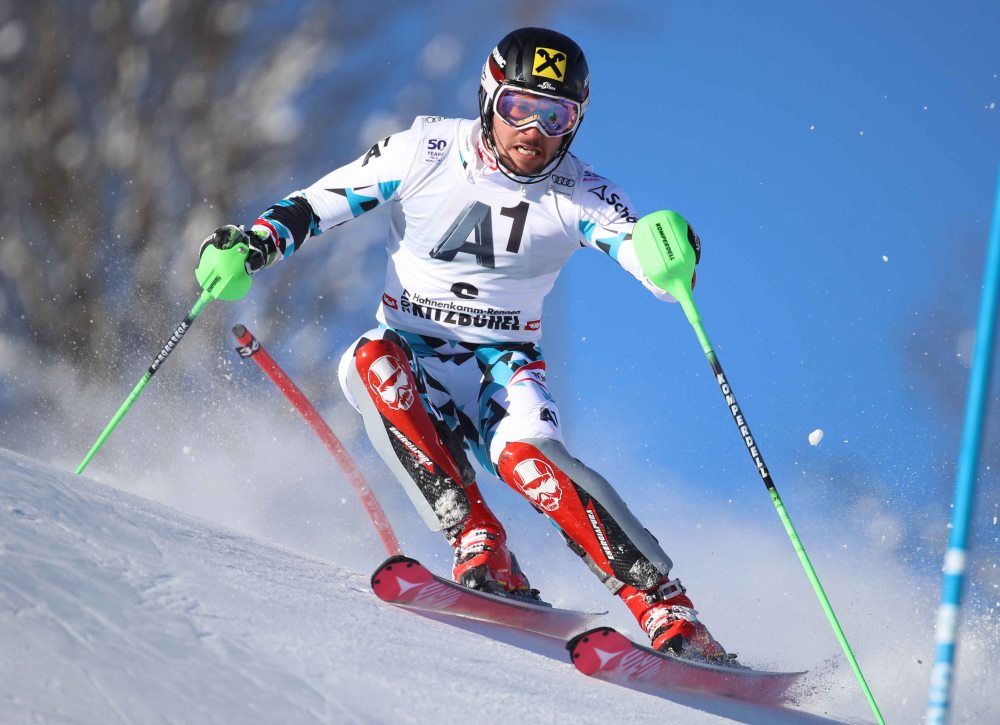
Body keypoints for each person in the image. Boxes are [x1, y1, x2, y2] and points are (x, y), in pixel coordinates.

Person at [199, 27, 727, 660]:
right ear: (488, 98)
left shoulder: (583, 193)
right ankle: (480, 542)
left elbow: (651, 266)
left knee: (534, 464)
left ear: (576, 123)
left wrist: (669, 254)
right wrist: (254, 243)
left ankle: (671, 614)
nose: (533, 131)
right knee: (368, 360)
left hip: (503, 367)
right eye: (518, 107)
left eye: (555, 116)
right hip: (412, 351)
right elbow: (321, 203)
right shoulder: (425, 149)